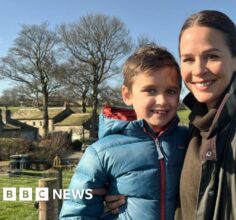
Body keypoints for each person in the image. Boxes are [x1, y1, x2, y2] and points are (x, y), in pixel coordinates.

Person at [105, 10, 236, 220]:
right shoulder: (197, 129)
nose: (198, 70)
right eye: (188, 59)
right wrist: (122, 195)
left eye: (212, 56)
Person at [59, 44, 188, 220]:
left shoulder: (189, 140)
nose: (162, 100)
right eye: (150, 90)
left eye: (171, 91)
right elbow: (76, 213)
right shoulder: (101, 152)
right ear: (127, 95)